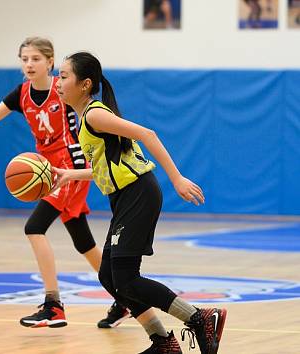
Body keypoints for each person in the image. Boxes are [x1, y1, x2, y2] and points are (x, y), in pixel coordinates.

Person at [0, 37, 127, 329]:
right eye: (24, 59)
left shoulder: (63, 89)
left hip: (69, 168)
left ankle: (53, 305)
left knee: (34, 227)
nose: (29, 64)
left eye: (35, 59)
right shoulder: (21, 94)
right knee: (83, 241)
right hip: (48, 168)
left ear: (51, 62)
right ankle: (123, 298)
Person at [54, 51, 227, 354]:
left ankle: (200, 317)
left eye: (64, 75)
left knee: (126, 279)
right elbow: (106, 167)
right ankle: (162, 341)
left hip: (138, 193)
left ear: (85, 84)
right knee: (109, 276)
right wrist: (70, 174)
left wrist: (176, 178)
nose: (57, 81)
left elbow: (147, 134)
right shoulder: (85, 117)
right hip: (125, 197)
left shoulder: (95, 114)